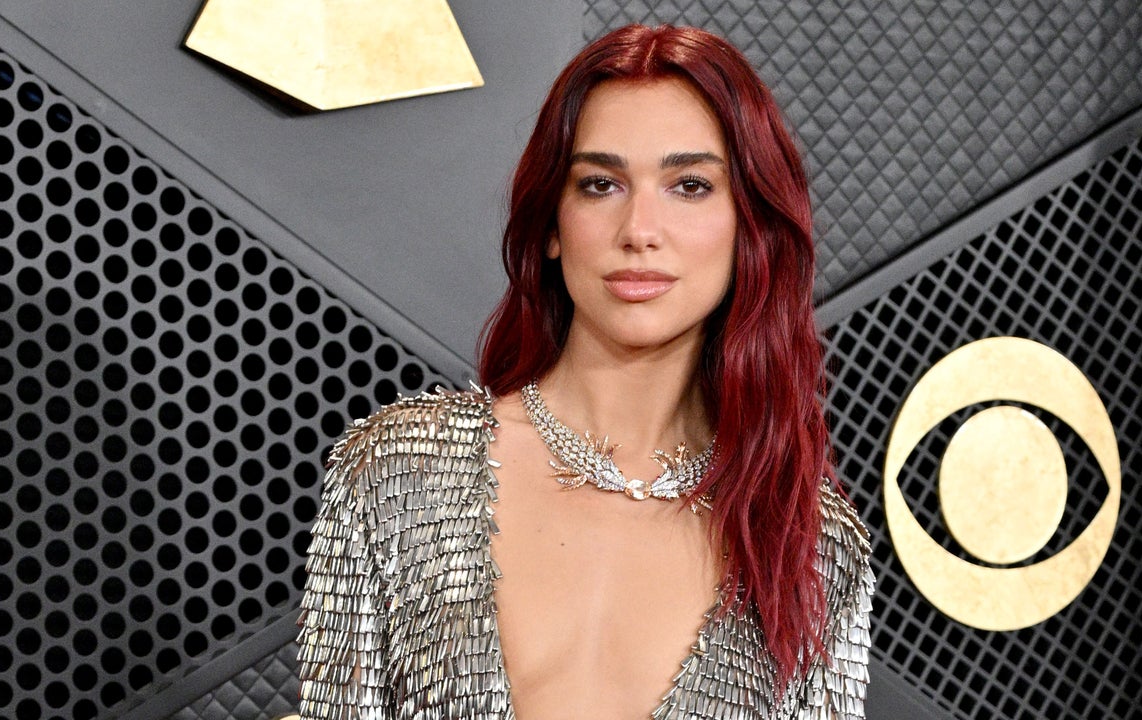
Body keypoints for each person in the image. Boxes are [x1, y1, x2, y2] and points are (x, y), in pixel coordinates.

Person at [296, 23, 872, 720]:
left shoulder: (808, 542)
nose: (639, 230)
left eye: (690, 185)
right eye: (601, 184)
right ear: (551, 223)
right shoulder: (399, 471)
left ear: (750, 226)